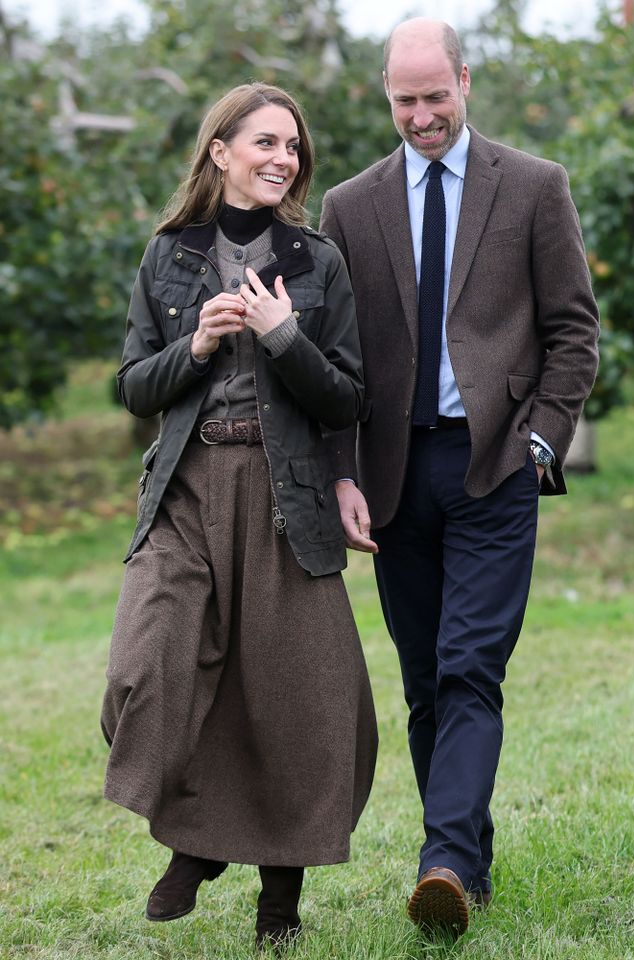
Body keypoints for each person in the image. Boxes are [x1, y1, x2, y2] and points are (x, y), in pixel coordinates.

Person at [320, 19, 599, 939]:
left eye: (436, 96)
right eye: (405, 100)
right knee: (426, 683)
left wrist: (542, 441)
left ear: (465, 82)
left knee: (471, 665)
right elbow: (336, 357)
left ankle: (438, 861)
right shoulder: (350, 207)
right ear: (386, 96)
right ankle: (465, 868)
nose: (422, 115)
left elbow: (573, 332)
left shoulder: (532, 186)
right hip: (395, 474)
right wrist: (343, 473)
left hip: (494, 467)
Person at [101, 82, 377, 950]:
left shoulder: (316, 261)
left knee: (294, 698)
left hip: (282, 493)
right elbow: (131, 386)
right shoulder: (167, 257)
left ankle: (279, 900)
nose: (282, 159)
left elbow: (346, 401)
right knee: (145, 675)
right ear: (220, 150)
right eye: (265, 142)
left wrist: (285, 335)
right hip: (185, 489)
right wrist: (199, 343)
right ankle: (198, 840)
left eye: (292, 146)